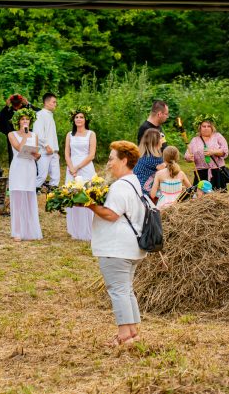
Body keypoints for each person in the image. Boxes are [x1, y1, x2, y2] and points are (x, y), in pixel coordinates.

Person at [86, 141, 146, 347]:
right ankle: (132, 332)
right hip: (131, 247)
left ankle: (123, 335)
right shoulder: (134, 182)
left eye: (112, 158)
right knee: (126, 289)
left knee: (118, 290)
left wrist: (89, 204)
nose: (109, 163)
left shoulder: (121, 186)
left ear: (124, 160)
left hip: (117, 247)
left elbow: (111, 214)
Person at [8, 108, 43, 241]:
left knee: (29, 197)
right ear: (18, 121)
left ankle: (29, 230)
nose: (25, 121)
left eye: (27, 119)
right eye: (22, 119)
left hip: (29, 167)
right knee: (17, 199)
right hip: (18, 167)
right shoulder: (12, 134)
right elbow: (19, 148)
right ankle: (17, 231)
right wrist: (24, 134)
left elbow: (33, 153)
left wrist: (37, 155)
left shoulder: (34, 135)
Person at [65, 107, 97, 241]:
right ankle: (75, 230)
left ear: (85, 119)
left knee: (87, 196)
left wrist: (78, 166)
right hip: (71, 168)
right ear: (73, 119)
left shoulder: (91, 134)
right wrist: (71, 167)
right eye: (77, 117)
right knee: (73, 196)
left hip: (85, 167)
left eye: (81, 117)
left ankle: (89, 229)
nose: (79, 119)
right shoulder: (69, 135)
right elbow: (67, 153)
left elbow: (91, 154)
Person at [183, 115, 229, 191]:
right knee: (201, 197)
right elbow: (187, 155)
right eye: (204, 126)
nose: (206, 128)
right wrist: (189, 158)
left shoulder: (217, 136)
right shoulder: (195, 140)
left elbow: (225, 151)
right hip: (200, 173)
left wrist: (213, 152)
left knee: (218, 196)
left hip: (217, 172)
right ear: (200, 128)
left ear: (212, 128)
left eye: (208, 126)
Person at [0, 94, 35, 163]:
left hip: (27, 136)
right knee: (13, 159)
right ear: (11, 102)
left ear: (21, 102)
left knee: (29, 159)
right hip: (12, 138)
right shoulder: (7, 111)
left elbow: (40, 113)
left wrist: (28, 104)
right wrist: (6, 106)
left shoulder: (27, 109)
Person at [35, 92, 61, 192]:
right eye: (54, 102)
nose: (55, 104)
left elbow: (52, 135)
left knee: (55, 176)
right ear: (46, 103)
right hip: (44, 150)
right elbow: (38, 132)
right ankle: (32, 192)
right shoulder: (40, 115)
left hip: (53, 151)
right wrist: (46, 145)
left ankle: (52, 197)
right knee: (42, 175)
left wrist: (56, 150)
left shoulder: (50, 115)